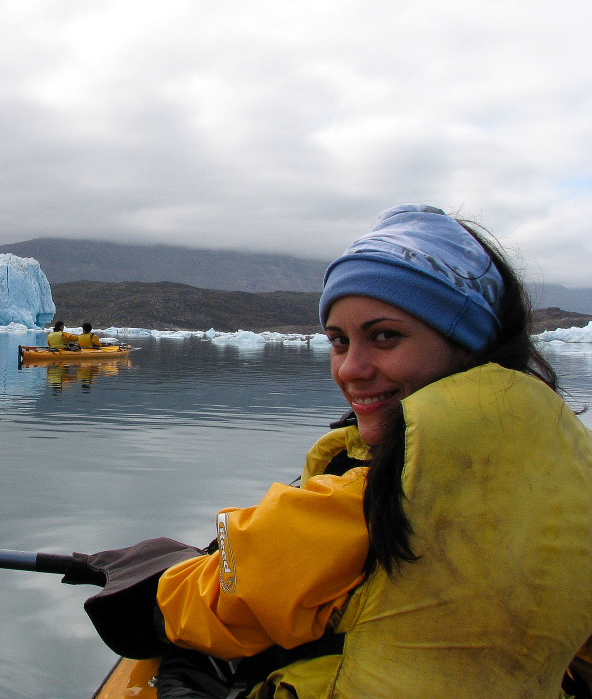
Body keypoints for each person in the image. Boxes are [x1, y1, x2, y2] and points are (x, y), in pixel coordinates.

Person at [67, 204, 592, 699]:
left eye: (384, 337)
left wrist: (154, 570)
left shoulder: (368, 501)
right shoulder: (569, 477)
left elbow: (206, 607)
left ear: (469, 346)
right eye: (339, 341)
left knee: (186, 659)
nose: (350, 369)